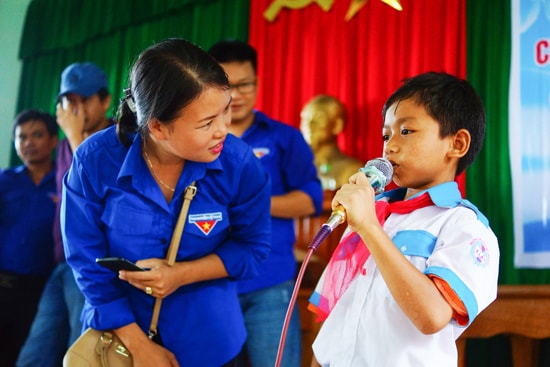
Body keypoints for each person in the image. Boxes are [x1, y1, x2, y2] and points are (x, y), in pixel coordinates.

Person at [61, 38, 272, 367]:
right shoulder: (95, 161)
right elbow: (86, 261)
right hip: (123, 342)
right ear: (157, 126)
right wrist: (139, 346)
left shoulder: (238, 162)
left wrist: (181, 274)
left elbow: (253, 249)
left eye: (226, 110)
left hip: (211, 341)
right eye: (206, 123)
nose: (223, 129)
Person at [308, 72, 500, 366]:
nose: (390, 146)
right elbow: (337, 315)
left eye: (406, 131)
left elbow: (432, 316)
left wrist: (370, 228)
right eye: (386, 135)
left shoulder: (464, 227)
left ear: (457, 144)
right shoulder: (373, 212)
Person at [209, 39, 323, 367]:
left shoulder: (284, 137)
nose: (238, 94)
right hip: (209, 284)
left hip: (269, 282)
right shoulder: (198, 140)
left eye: (245, 85)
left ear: (258, 84)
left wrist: (249, 204)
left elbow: (310, 200)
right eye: (227, 86)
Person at [16, 62, 114, 367]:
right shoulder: (60, 148)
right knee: (36, 351)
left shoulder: (118, 137)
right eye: (68, 101)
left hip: (93, 263)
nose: (75, 109)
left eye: (83, 100)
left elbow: (99, 195)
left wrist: (74, 136)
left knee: (81, 351)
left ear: (105, 101)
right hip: (62, 263)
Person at [0, 110, 58, 367]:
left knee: (25, 354)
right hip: (2, 282)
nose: (28, 143)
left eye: (37, 135)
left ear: (53, 140)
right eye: (21, 137)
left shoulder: (66, 180)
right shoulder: (5, 180)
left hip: (40, 288)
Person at [300, 94, 363, 190]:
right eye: (305, 119)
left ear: (337, 125)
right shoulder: (295, 166)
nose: (309, 125)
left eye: (319, 118)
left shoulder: (352, 170)